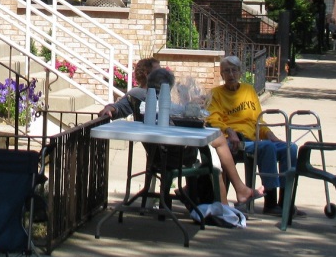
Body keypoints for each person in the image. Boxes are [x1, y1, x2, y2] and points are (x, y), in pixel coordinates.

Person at [100, 60, 262, 207]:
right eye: (158, 71)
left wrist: (110, 108)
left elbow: (118, 108)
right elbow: (120, 107)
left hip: (158, 152)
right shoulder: (144, 96)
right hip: (174, 153)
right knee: (214, 153)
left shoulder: (146, 97)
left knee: (214, 152)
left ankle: (203, 194)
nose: (162, 73)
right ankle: (227, 200)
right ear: (148, 76)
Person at [207, 55, 298, 215]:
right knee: (267, 147)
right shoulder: (216, 94)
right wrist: (229, 130)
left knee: (290, 148)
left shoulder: (248, 90)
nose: (231, 75)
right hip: (234, 142)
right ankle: (270, 202)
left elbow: (258, 119)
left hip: (254, 137)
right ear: (221, 75)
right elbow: (213, 119)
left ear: (240, 73)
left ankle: (286, 202)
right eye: (226, 71)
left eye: (234, 70)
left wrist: (269, 133)